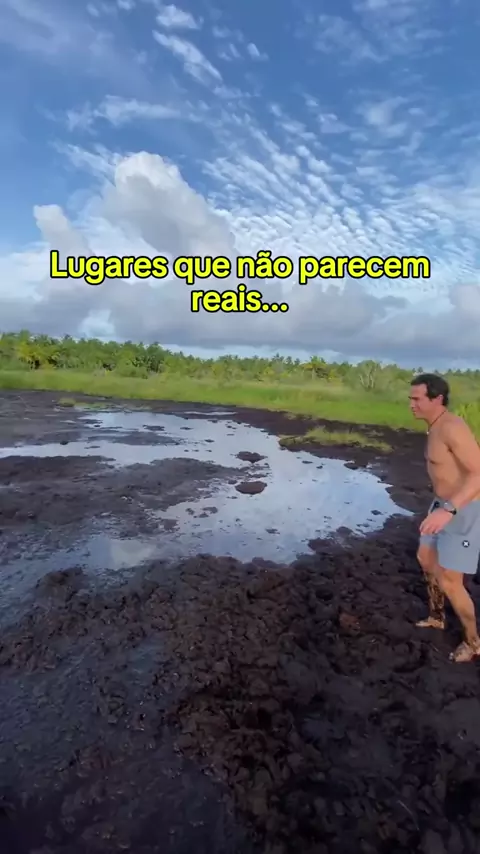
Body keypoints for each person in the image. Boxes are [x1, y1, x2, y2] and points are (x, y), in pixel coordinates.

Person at [409, 373, 480, 662]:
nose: (411, 404)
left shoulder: (452, 428)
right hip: (442, 504)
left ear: (437, 399)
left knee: (451, 581)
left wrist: (449, 510)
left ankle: (473, 642)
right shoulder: (434, 426)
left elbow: (478, 473)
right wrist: (441, 506)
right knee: (426, 559)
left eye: (417, 399)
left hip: (463, 509)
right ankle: (437, 617)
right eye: (410, 398)